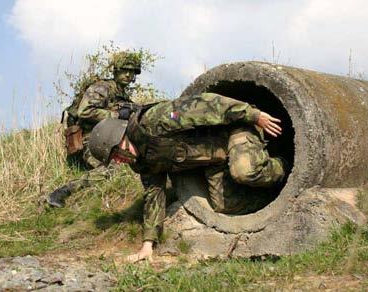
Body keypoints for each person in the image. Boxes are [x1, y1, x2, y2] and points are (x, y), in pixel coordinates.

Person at [89, 92, 287, 262]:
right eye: (113, 159)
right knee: (225, 205)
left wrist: (253, 115)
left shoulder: (156, 121)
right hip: (215, 160)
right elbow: (154, 196)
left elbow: (204, 104)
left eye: (115, 154)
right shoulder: (143, 161)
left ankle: (285, 165)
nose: (118, 161)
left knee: (244, 170)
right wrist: (148, 245)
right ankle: (274, 195)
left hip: (233, 131)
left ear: (121, 137)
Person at [47, 51, 142, 208]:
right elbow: (84, 111)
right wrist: (116, 114)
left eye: (132, 71)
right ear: (116, 70)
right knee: (112, 170)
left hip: (111, 139)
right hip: (92, 140)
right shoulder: (102, 87)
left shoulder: (122, 95)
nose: (128, 74)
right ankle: (63, 192)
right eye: (124, 70)